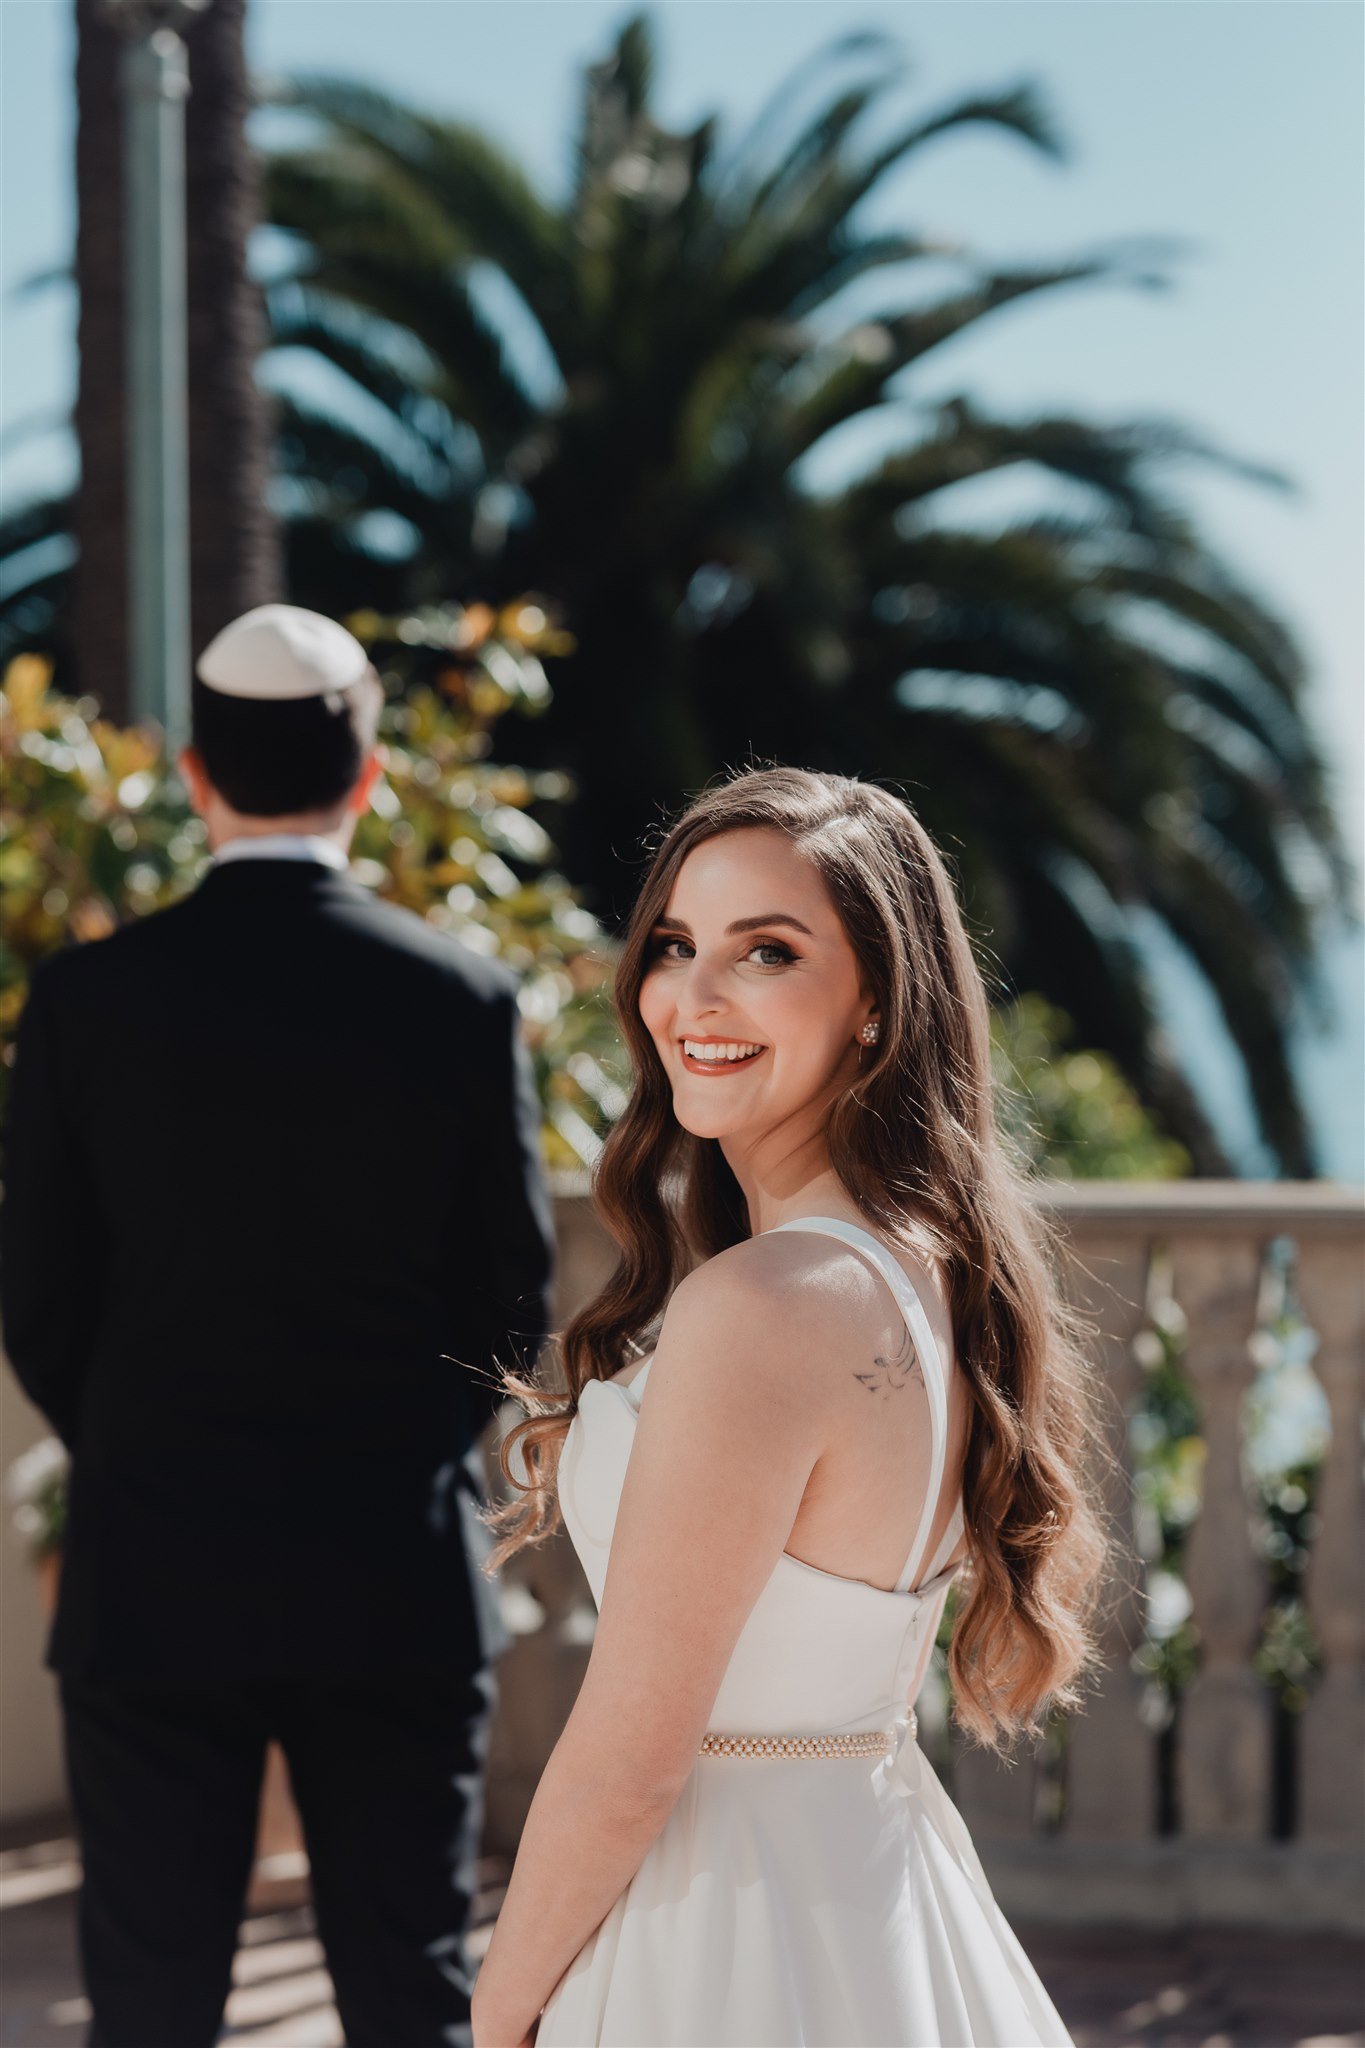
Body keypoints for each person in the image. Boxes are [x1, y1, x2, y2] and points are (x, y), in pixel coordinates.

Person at [471, 765, 1105, 2048]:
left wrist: (494, 2007)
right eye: (673, 944)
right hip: (869, 1881)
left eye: (766, 950)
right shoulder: (923, 1266)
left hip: (717, 1926)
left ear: (876, 999)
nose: (692, 996)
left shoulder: (766, 1304)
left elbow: (629, 1757)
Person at [0, 604, 555, 2048]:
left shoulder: (85, 1000)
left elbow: (40, 1302)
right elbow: (510, 1293)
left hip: (152, 1574)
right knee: (408, 1987)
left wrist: (136, 1448)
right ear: (368, 777)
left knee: (153, 2004)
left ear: (196, 775)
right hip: (395, 1581)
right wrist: (401, 1451)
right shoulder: (463, 997)